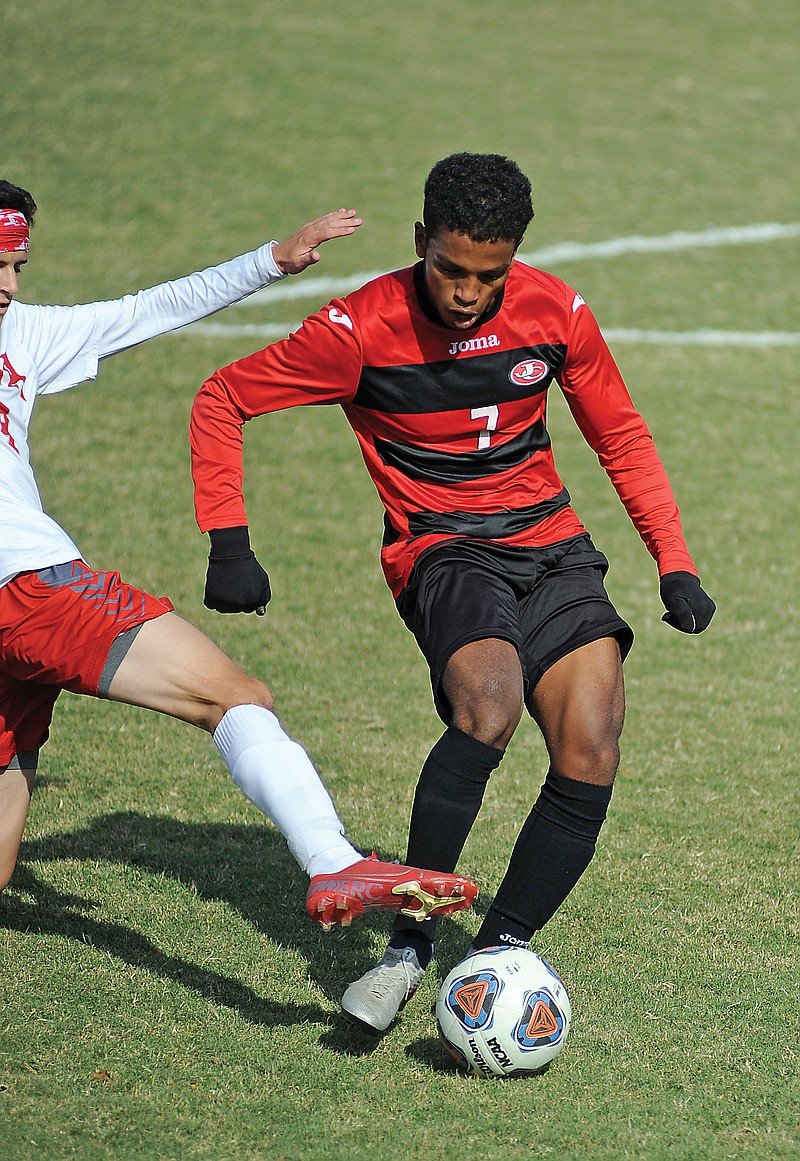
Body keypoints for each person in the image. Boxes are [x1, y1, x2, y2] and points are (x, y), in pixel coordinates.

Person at [189, 152, 716, 1032]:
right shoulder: (359, 329)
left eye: (490, 274)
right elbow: (223, 396)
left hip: (550, 545)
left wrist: (675, 559)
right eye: (451, 269)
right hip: (441, 549)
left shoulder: (555, 311)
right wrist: (230, 541)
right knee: (488, 705)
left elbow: (619, 434)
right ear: (421, 241)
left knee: (592, 742)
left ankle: (494, 955)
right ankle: (408, 948)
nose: (469, 292)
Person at [0, 180, 480, 934]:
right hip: (28, 585)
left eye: (17, 267)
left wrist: (269, 261)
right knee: (235, 695)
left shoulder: (19, 333)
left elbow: (142, 312)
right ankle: (335, 862)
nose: (7, 286)